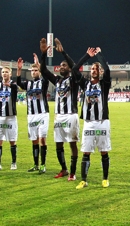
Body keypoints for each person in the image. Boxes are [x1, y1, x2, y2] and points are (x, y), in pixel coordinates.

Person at [38, 38, 81, 181]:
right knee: (58, 143)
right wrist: (43, 54)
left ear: (69, 68)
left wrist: (64, 53)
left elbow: (75, 67)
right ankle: (64, 169)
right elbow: (43, 70)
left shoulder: (74, 80)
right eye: (60, 65)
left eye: (64, 65)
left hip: (71, 115)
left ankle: (73, 173)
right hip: (59, 116)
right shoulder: (57, 80)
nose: (61, 67)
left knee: (72, 143)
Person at [72, 47, 112, 189]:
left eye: (96, 69)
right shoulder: (85, 84)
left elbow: (107, 70)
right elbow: (75, 70)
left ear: (99, 72)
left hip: (102, 122)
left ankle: (105, 179)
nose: (94, 71)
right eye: (92, 69)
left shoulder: (104, 84)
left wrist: (99, 55)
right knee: (86, 151)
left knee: (104, 151)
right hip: (89, 123)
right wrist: (86, 56)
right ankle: (83, 180)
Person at [16, 53, 50, 174]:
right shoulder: (28, 84)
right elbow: (19, 83)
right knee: (34, 140)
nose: (34, 72)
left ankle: (43, 165)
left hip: (42, 114)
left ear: (39, 71)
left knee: (42, 140)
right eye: (32, 70)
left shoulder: (44, 82)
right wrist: (19, 70)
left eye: (36, 70)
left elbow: (46, 75)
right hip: (31, 115)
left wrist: (40, 65)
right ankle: (35, 164)